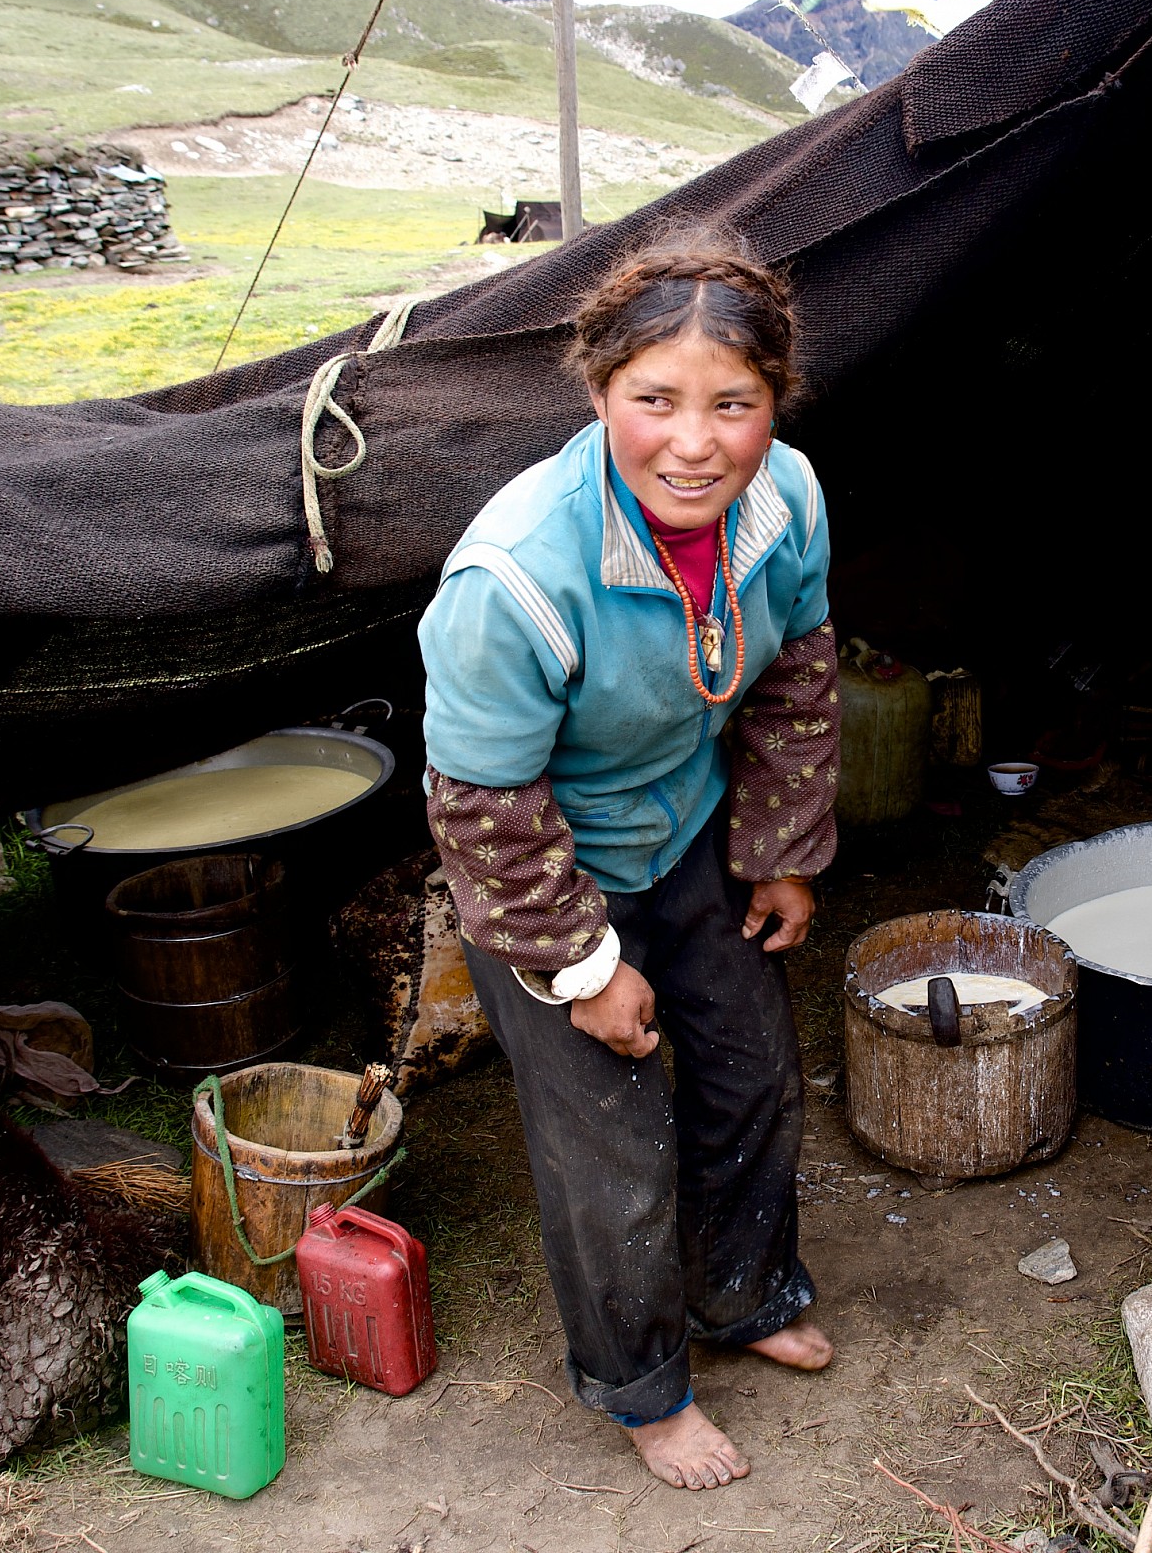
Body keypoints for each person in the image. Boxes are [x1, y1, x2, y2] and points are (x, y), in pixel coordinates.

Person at [416, 234, 840, 1491]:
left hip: (693, 832)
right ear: (600, 393)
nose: (694, 442)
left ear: (776, 404)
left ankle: (745, 1291)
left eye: (734, 403)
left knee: (753, 1074)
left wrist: (777, 849)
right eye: (655, 399)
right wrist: (586, 970)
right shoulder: (514, 577)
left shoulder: (789, 499)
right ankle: (643, 1385)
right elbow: (483, 808)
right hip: (542, 871)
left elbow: (800, 675)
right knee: (611, 1143)